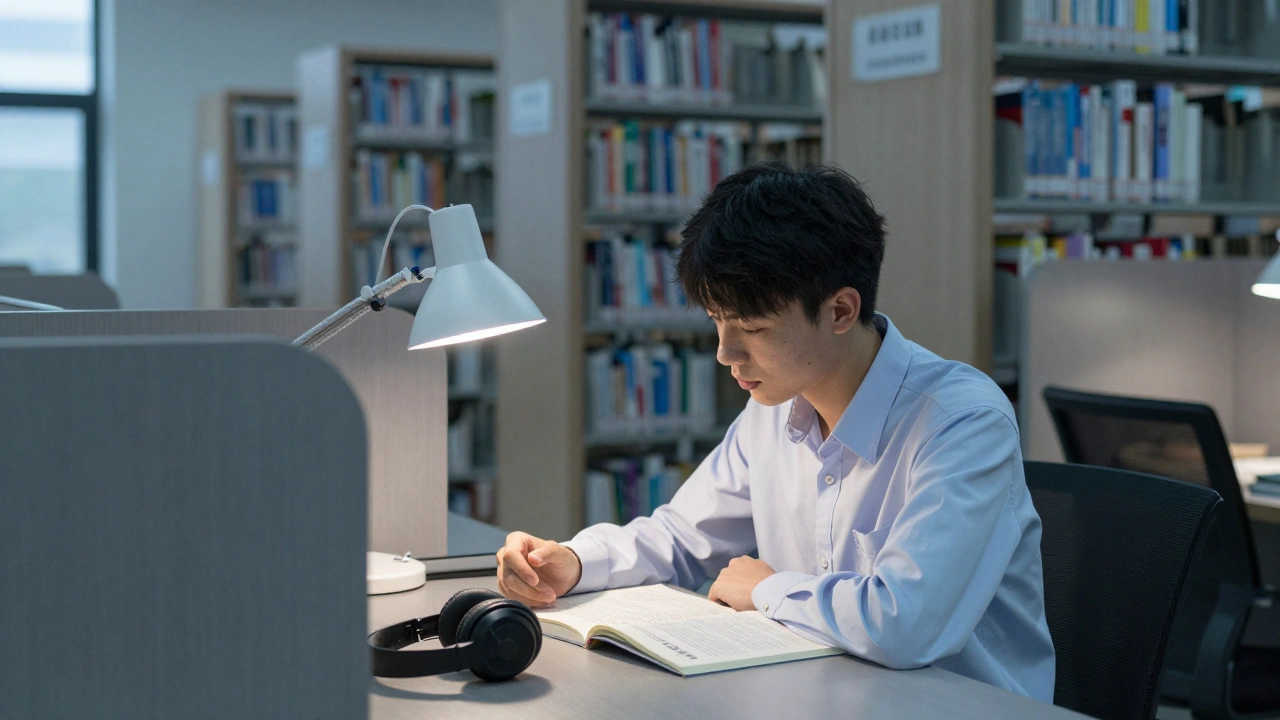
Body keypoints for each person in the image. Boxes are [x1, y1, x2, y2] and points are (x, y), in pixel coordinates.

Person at [495, 162, 1055, 702]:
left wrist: (765, 588)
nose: (724, 353)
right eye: (717, 321)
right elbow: (682, 536)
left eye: (753, 327)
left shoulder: (961, 422)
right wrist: (572, 561)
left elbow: (905, 624)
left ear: (840, 310)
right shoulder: (774, 406)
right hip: (826, 693)